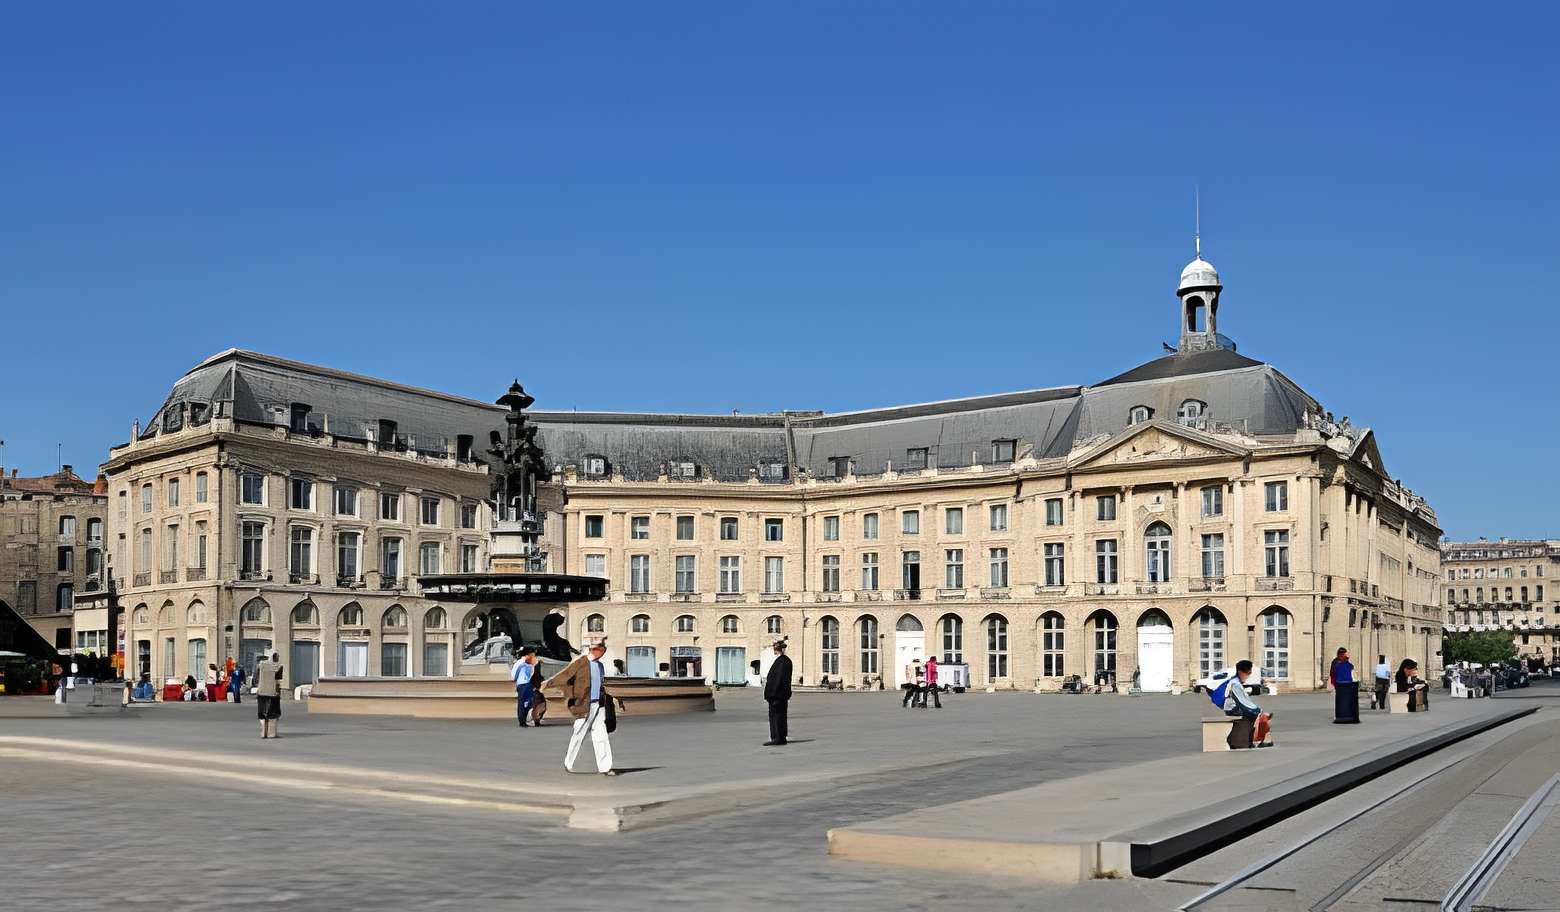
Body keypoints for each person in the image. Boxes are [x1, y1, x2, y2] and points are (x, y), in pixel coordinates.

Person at [543, 637, 615, 775]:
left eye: (602, 649)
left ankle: (605, 767)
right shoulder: (580, 663)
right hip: (583, 705)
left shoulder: (600, 666)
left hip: (598, 705)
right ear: (594, 650)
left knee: (601, 735)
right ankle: (568, 762)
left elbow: (600, 685)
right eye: (599, 649)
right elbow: (565, 675)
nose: (601, 652)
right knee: (578, 735)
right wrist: (549, 684)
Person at [1220, 660, 1274, 748]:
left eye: (1250, 673)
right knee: (1261, 717)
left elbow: (1244, 701)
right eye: (1247, 673)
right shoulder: (1235, 684)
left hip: (1234, 708)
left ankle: (1264, 740)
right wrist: (1258, 711)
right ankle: (1262, 740)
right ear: (1240, 672)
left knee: (1261, 716)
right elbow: (1243, 702)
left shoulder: (1235, 682)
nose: (1248, 675)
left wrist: (1257, 710)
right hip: (1234, 710)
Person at [764, 638, 793, 745]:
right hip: (775, 695)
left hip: (778, 695)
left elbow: (780, 679)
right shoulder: (781, 660)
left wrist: (774, 693)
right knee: (775, 716)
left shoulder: (784, 661)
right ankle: (776, 736)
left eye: (775, 648)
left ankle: (779, 738)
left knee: (778, 716)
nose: (774, 650)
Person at [255, 651, 283, 739]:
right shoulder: (278, 666)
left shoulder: (261, 665)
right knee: (273, 714)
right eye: (277, 657)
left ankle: (263, 733)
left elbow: (256, 678)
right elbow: (278, 681)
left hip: (261, 693)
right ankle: (271, 734)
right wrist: (278, 692)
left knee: (262, 714)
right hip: (273, 693)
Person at [511, 645, 539, 727]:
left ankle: (525, 718)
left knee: (531, 701)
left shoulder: (531, 663)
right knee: (522, 703)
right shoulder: (520, 663)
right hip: (522, 684)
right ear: (527, 654)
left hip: (529, 684)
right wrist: (517, 681)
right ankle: (522, 721)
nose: (534, 656)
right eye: (532, 654)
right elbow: (514, 674)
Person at [1332, 647, 1360, 724]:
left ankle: (1340, 717)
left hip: (1340, 685)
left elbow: (1334, 675)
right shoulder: (1349, 665)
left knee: (1340, 703)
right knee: (1349, 703)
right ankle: (1349, 716)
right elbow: (1354, 677)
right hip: (1349, 685)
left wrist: (1334, 684)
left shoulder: (1336, 665)